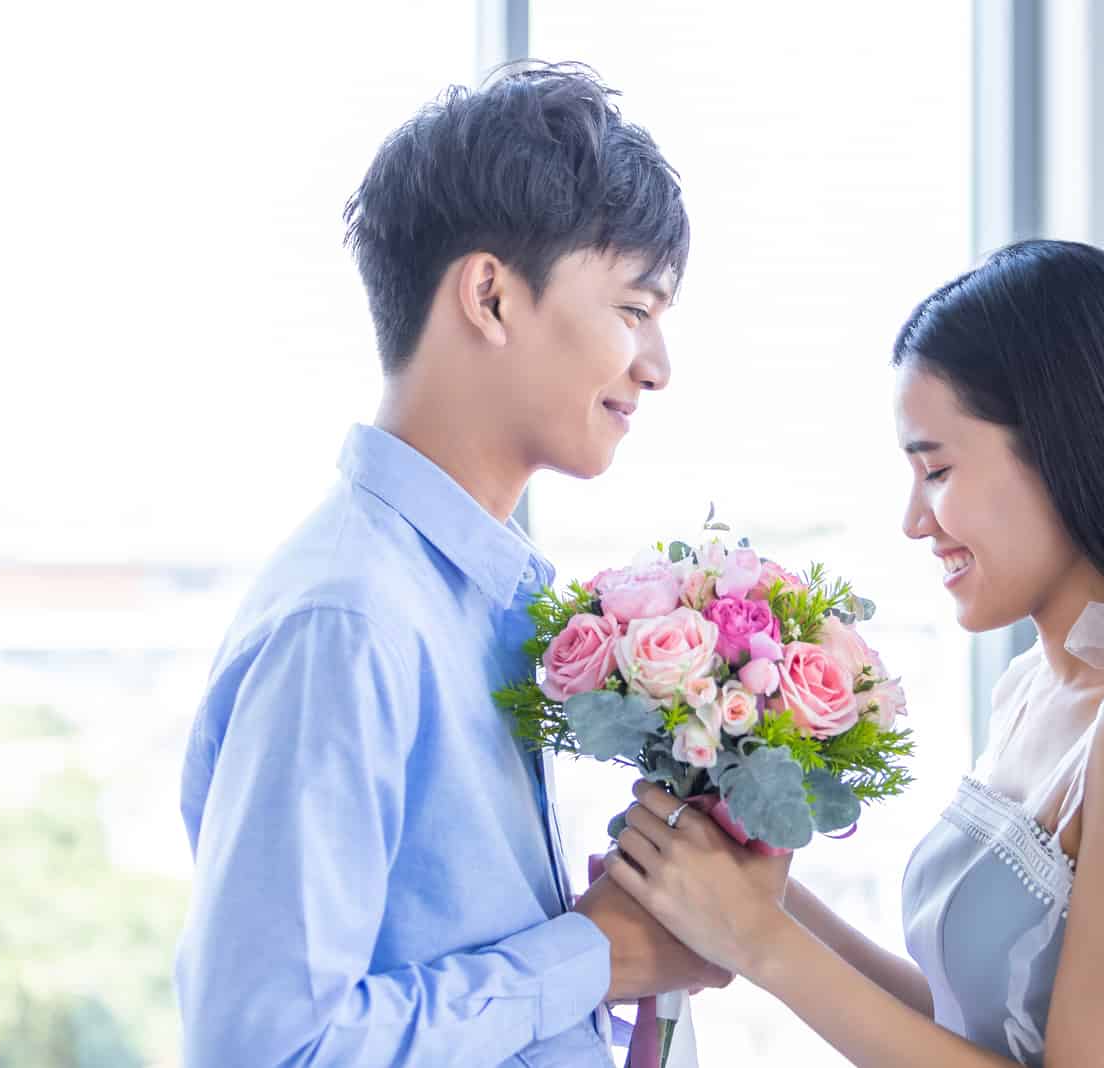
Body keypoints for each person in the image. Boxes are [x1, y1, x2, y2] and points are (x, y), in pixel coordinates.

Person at [605, 239, 1104, 1066]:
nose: (915, 519)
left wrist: (762, 940)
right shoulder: (1033, 689)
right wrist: (753, 897)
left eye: (935, 469)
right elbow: (966, 1034)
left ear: (1064, 451)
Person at [173, 61, 727, 1067]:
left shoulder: (480, 601)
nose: (657, 366)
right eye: (634, 309)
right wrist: (589, 957)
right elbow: (268, 1048)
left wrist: (625, 947)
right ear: (490, 295)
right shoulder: (350, 619)